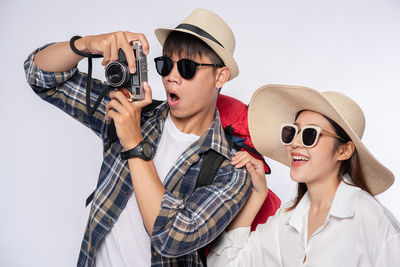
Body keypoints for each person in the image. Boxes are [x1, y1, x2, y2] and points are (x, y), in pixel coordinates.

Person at [24, 8, 252, 267]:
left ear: (220, 76)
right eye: (165, 64)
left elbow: (172, 238)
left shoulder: (230, 169)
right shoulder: (133, 115)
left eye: (187, 68)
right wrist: (88, 44)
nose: (171, 77)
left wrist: (134, 143)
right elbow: (40, 77)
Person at [208, 84, 400, 266]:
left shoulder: (370, 219)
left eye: (310, 134)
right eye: (292, 132)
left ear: (344, 151)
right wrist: (257, 195)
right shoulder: (288, 219)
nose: (295, 143)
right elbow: (226, 264)